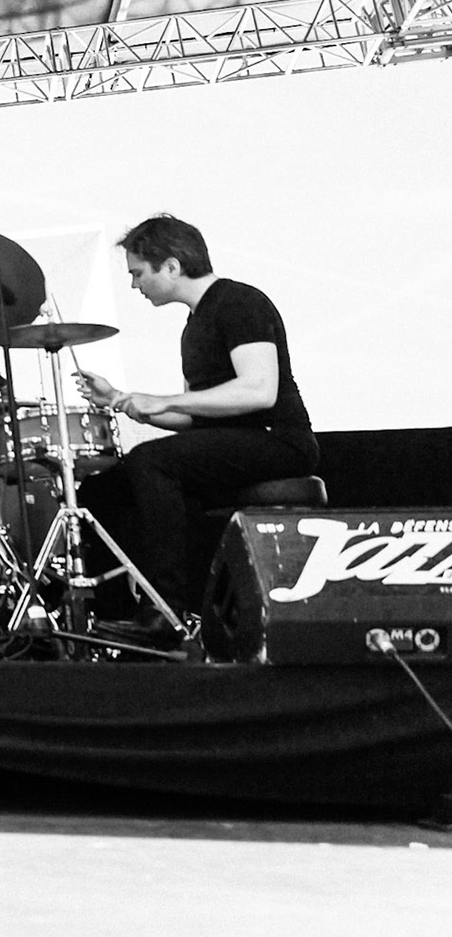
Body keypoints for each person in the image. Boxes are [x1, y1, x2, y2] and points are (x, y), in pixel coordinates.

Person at [74, 215, 319, 646]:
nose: (134, 286)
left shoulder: (239, 302)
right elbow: (196, 418)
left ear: (170, 266)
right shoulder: (194, 325)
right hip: (235, 441)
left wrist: (164, 400)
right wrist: (120, 399)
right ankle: (114, 614)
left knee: (151, 461)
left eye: (138, 273)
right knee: (101, 491)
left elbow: (259, 390)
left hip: (276, 439)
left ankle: (166, 612)